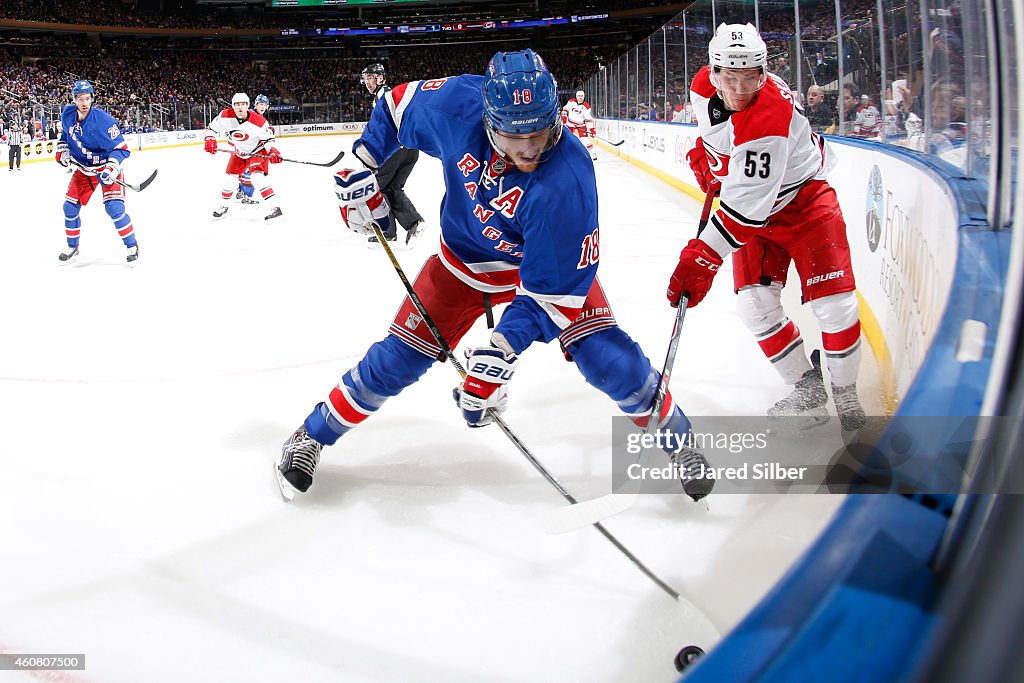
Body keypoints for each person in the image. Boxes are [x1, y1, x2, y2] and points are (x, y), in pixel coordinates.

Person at [276, 49, 714, 501]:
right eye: (512, 136)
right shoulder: (456, 105)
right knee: (395, 361)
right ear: (488, 119)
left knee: (607, 358)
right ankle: (310, 435)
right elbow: (394, 106)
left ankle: (680, 441)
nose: (529, 148)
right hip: (460, 264)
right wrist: (362, 164)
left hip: (538, 273)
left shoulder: (569, 177)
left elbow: (552, 294)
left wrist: (503, 350)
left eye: (541, 131)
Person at [668, 23, 866, 435]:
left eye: (750, 77)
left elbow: (742, 215)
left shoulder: (769, 116)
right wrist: (709, 157)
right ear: (714, 71)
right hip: (760, 208)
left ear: (763, 72)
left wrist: (703, 259)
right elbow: (717, 136)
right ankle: (807, 388)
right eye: (730, 77)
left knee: (835, 305)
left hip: (805, 201)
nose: (739, 88)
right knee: (755, 305)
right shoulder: (703, 84)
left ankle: (846, 391)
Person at [55, 80, 139, 265]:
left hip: (105, 169)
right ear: (74, 99)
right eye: (80, 99)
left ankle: (132, 246)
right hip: (84, 170)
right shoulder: (68, 114)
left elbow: (122, 149)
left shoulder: (103, 121)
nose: (84, 103)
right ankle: (72, 247)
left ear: (92, 98)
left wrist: (111, 168)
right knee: (69, 207)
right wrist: (63, 150)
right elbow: (65, 136)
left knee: (114, 209)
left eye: (87, 98)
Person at [360, 62, 425, 247]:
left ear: (380, 78)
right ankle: (414, 223)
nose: (367, 82)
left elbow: (385, 129)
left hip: (395, 150)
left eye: (370, 78)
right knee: (392, 187)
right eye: (365, 79)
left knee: (377, 188)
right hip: (410, 149)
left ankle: (388, 232)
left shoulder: (384, 96)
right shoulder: (392, 94)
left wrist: (372, 153)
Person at [203, 92, 283, 221]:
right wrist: (209, 139)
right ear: (233, 106)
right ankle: (224, 207)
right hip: (239, 152)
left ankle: (275, 208)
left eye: (243, 104)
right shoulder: (225, 116)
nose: (240, 107)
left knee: (257, 177)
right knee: (229, 180)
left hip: (257, 151)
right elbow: (211, 129)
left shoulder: (260, 121)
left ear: (248, 106)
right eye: (237, 104)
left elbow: (268, 140)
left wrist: (273, 151)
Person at [236, 93, 274, 207]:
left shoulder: (259, 118)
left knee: (246, 172)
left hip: (249, 149)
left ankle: (241, 191)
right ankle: (246, 196)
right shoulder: (250, 115)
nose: (262, 107)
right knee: (253, 172)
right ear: (255, 105)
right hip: (247, 149)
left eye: (265, 105)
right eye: (260, 104)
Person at [561, 89, 598, 160]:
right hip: (570, 124)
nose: (580, 97)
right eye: (578, 96)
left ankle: (593, 153)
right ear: (576, 96)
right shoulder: (571, 102)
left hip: (580, 125)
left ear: (584, 97)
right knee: (566, 139)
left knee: (585, 140)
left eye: (581, 96)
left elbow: (588, 120)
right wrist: (564, 118)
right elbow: (565, 109)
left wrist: (592, 130)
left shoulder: (586, 107)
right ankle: (565, 153)